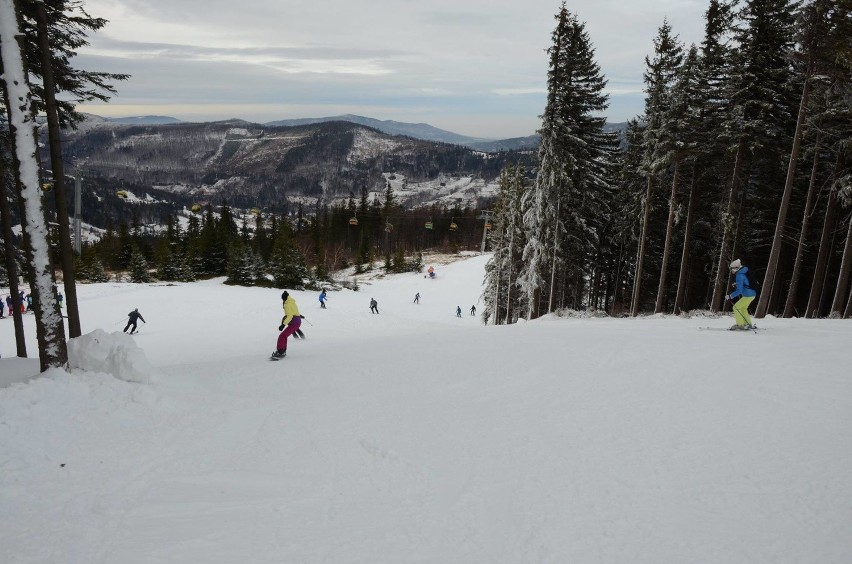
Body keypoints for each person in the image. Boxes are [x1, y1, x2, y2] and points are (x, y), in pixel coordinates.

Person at [727, 259, 758, 330]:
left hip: (747, 295)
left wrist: (730, 296)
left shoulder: (739, 275)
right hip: (752, 294)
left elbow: (739, 291)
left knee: (736, 307)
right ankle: (748, 324)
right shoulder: (744, 271)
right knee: (743, 308)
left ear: (736, 268)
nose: (731, 270)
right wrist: (737, 284)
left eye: (731, 269)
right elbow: (746, 282)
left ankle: (740, 325)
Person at [272, 291, 301, 358]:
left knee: (282, 336)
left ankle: (280, 352)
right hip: (296, 321)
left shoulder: (287, 304)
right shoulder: (292, 302)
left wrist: (283, 325)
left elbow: (290, 316)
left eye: (282, 299)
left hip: (294, 322)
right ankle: (283, 351)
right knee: (284, 336)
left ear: (284, 298)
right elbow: (294, 312)